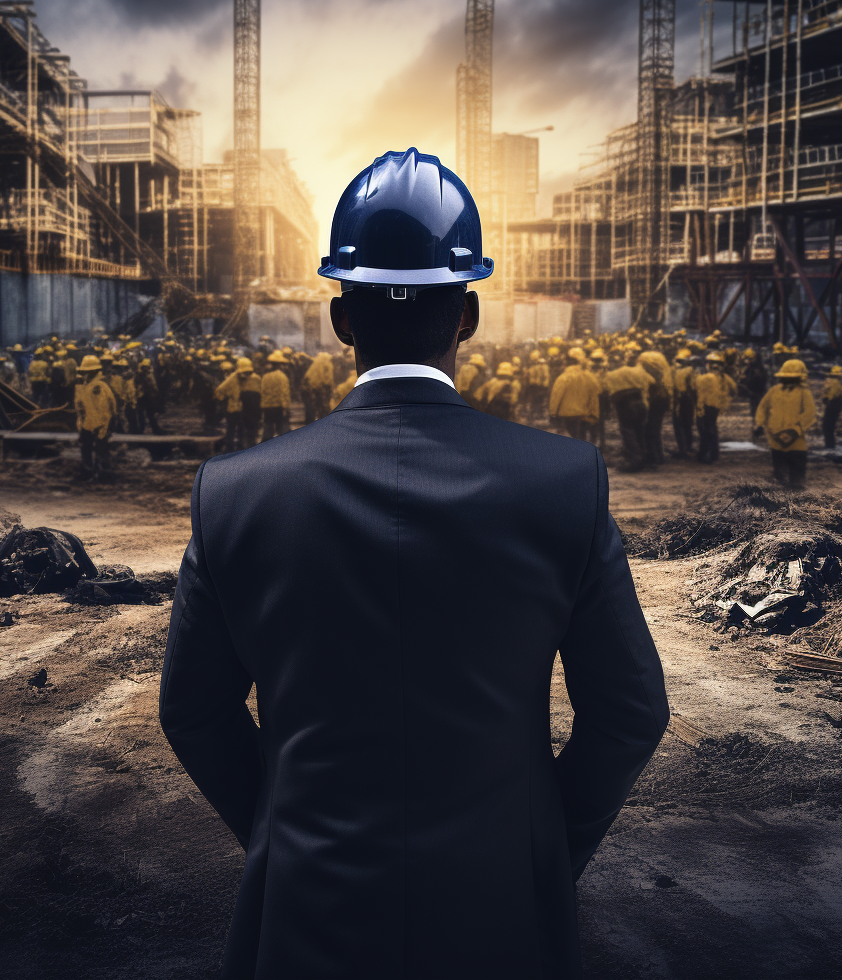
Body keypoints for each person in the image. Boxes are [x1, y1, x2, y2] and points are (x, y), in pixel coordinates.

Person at [160, 149, 668, 980]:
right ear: (466, 315)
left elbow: (192, 711)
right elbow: (631, 712)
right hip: (502, 924)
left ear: (341, 320)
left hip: (304, 918)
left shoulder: (233, 493)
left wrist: (283, 832)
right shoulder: (565, 485)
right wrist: (536, 853)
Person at [756, 358, 817, 488]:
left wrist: (795, 430)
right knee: (779, 469)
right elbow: (763, 407)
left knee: (797, 470)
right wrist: (760, 424)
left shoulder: (804, 393)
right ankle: (780, 489)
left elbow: (809, 413)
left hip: (796, 439)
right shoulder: (774, 391)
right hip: (775, 436)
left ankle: (797, 489)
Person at [605, 350, 651, 472]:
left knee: (628, 432)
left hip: (625, 404)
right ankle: (644, 458)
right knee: (639, 431)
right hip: (640, 402)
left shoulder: (611, 374)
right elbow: (650, 381)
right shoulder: (638, 371)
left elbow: (604, 389)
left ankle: (635, 460)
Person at [74, 355, 115, 478]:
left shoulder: (98, 387)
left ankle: (102, 474)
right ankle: (89, 472)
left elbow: (105, 410)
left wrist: (103, 429)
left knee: (100, 451)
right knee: (86, 449)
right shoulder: (89, 386)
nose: (84, 375)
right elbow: (83, 408)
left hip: (98, 426)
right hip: (89, 425)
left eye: (86, 372)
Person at [694, 351, 737, 465]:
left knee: (705, 430)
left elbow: (699, 393)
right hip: (716, 407)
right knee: (712, 429)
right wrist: (724, 398)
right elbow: (734, 390)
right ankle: (714, 454)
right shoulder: (725, 378)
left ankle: (704, 455)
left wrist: (699, 408)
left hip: (706, 406)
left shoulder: (705, 378)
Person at [549, 355, 601, 441]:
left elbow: (556, 395)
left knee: (574, 435)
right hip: (585, 413)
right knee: (581, 435)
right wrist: (594, 412)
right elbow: (597, 393)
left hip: (568, 414)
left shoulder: (563, 378)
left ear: (566, 365)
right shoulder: (589, 376)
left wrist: (553, 412)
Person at [637, 348, 672, 466]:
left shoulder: (648, 380)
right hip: (660, 404)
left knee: (649, 431)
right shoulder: (663, 382)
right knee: (656, 431)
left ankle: (652, 457)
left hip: (652, 405)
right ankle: (659, 455)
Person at [260, 350, 292, 438]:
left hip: (267, 408)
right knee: (283, 431)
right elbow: (284, 393)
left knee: (267, 431)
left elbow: (262, 392)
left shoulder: (265, 377)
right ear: (280, 364)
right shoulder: (282, 376)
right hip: (279, 407)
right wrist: (286, 408)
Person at [671, 347, 696, 458]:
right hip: (687, 400)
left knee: (679, 425)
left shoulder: (677, 371)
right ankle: (688, 448)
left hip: (681, 400)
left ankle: (683, 450)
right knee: (687, 425)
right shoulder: (691, 371)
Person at [215, 360, 243, 452]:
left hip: (236, 408)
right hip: (235, 408)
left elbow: (219, 391)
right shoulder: (232, 378)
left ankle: (233, 447)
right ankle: (233, 447)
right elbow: (219, 390)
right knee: (234, 429)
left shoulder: (232, 378)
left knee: (235, 428)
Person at [301, 351, 334, 424]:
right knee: (323, 407)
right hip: (322, 389)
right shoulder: (327, 365)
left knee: (312, 407)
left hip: (311, 389)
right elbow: (328, 380)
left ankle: (310, 422)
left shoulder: (313, 366)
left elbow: (307, 379)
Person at [237, 357, 263, 448]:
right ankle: (251, 442)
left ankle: (246, 443)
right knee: (253, 425)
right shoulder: (257, 377)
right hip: (255, 402)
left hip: (247, 402)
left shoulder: (239, 379)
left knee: (246, 425)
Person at [822, 365, 842, 449]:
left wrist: (826, 401)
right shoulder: (839, 383)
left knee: (827, 426)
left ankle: (829, 445)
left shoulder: (832, 382)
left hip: (832, 404)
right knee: (830, 426)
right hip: (837, 405)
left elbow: (830, 395)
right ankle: (831, 444)